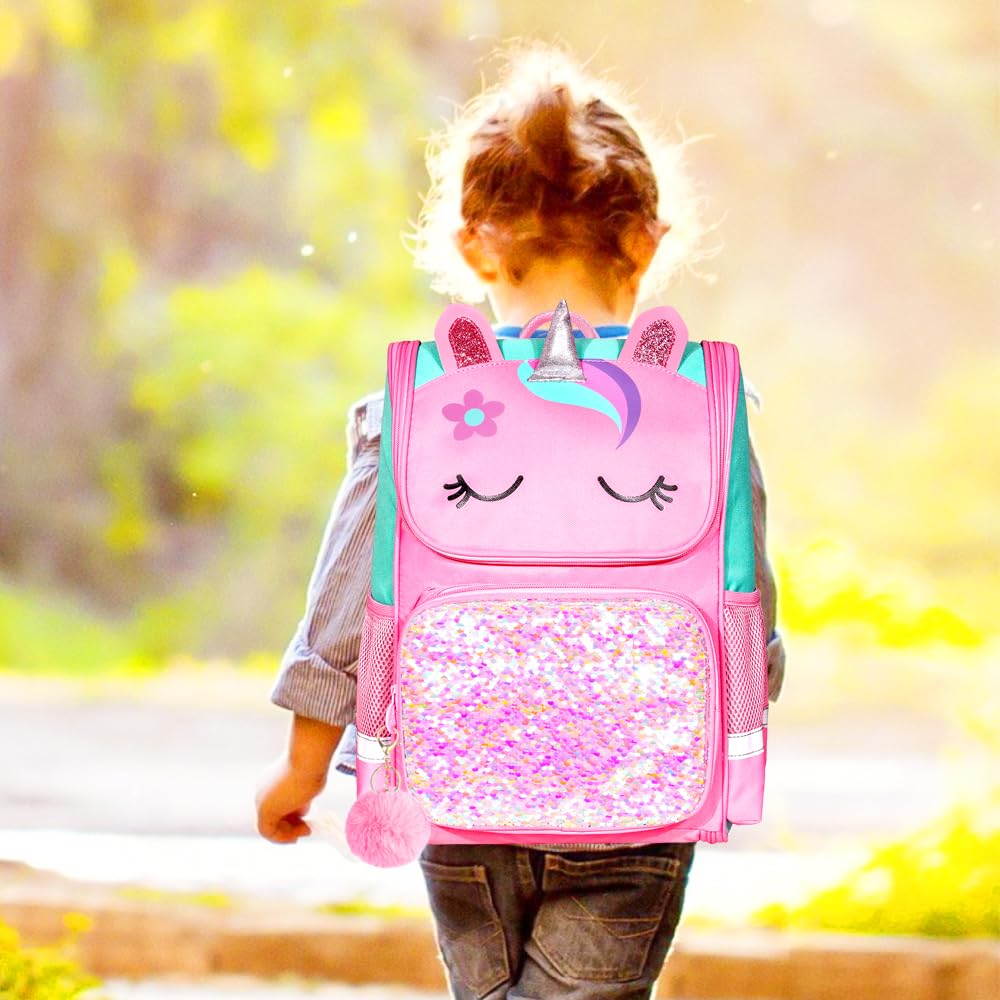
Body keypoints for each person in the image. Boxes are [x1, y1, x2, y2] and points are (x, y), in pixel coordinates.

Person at [256, 40, 786, 1000]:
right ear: (649, 241)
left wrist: (304, 764)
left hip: (460, 789)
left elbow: (347, 599)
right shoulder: (696, 408)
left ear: (471, 242)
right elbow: (747, 594)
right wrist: (744, 702)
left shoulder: (420, 409)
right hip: (642, 788)